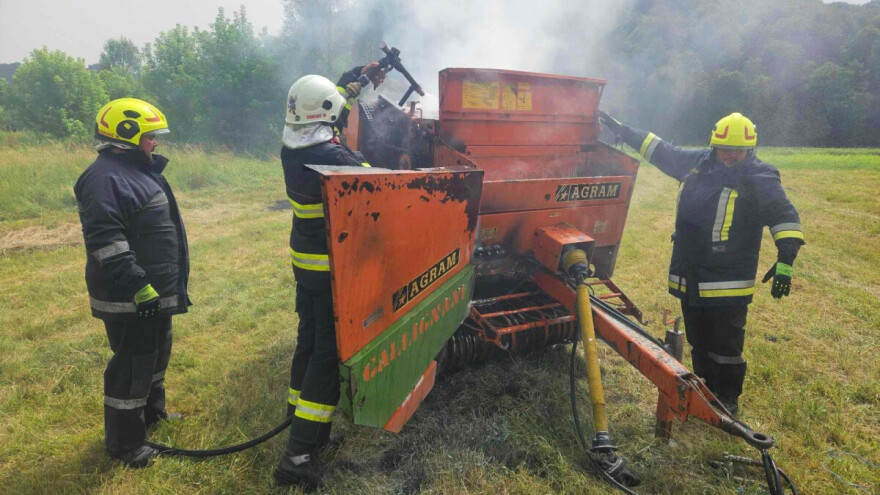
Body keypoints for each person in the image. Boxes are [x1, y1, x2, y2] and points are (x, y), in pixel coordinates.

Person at [599, 111, 804, 416]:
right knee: (698, 339)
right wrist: (623, 130)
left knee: (726, 344)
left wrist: (786, 260)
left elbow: (784, 215)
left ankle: (727, 399)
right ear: (713, 146)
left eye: (738, 151)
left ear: (750, 150)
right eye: (725, 150)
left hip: (728, 279)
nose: (731, 157)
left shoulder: (760, 176)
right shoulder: (697, 163)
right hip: (691, 273)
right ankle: (702, 389)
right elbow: (661, 151)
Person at [274, 63, 384, 490]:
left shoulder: (293, 146)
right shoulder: (335, 159)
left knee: (307, 339)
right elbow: (378, 183)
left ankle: (297, 422)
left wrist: (350, 82)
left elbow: (323, 108)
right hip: (330, 271)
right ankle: (297, 456)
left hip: (305, 262)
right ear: (329, 115)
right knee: (325, 353)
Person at [75, 98, 190, 467]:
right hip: (130, 296)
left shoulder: (134, 171)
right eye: (151, 136)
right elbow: (107, 240)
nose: (155, 143)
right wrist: (138, 285)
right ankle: (125, 444)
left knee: (156, 354)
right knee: (131, 366)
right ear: (127, 135)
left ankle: (152, 415)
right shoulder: (105, 178)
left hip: (152, 293)